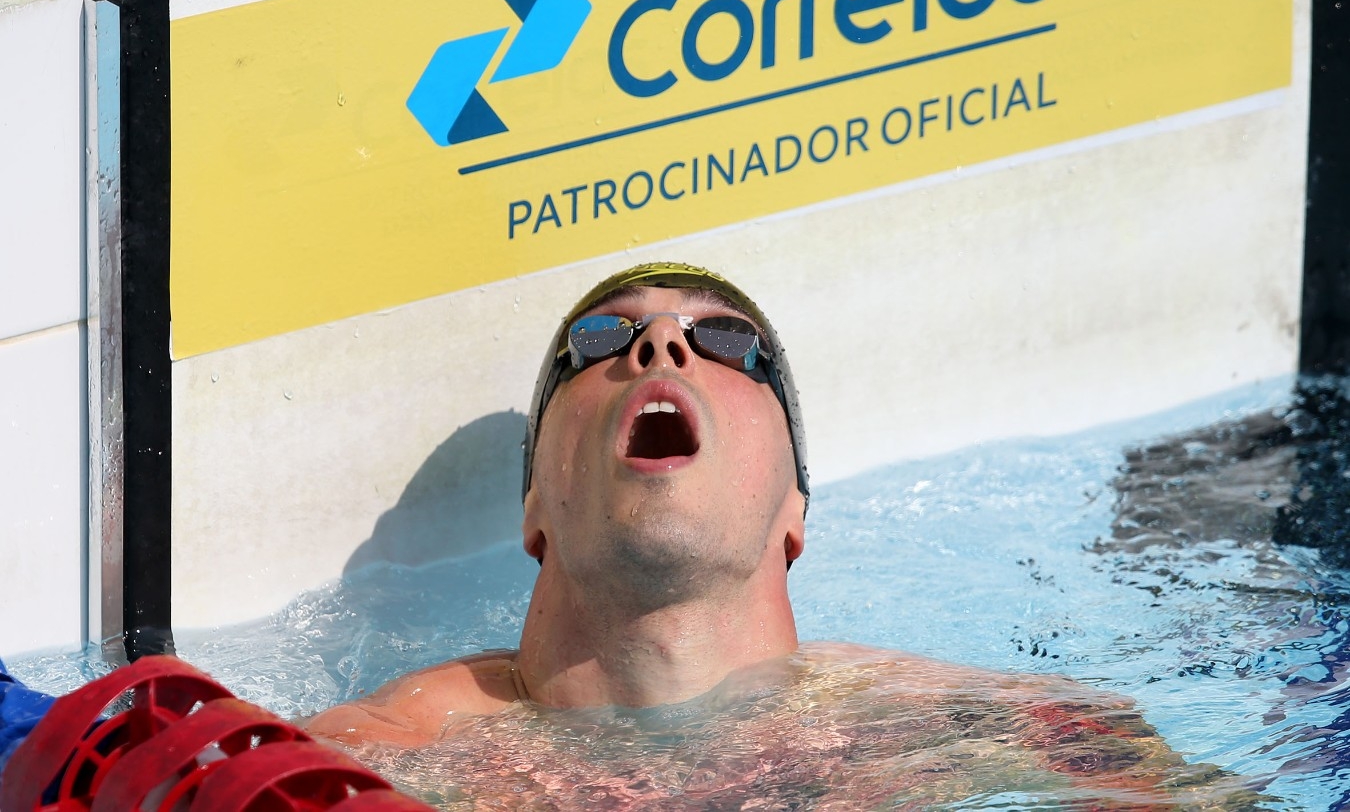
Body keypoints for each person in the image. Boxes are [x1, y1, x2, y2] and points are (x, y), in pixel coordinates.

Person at [306, 263, 1259, 808]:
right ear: (534, 514)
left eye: (725, 342)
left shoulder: (977, 726)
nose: (660, 347)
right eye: (595, 343)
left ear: (795, 514)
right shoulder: (379, 754)